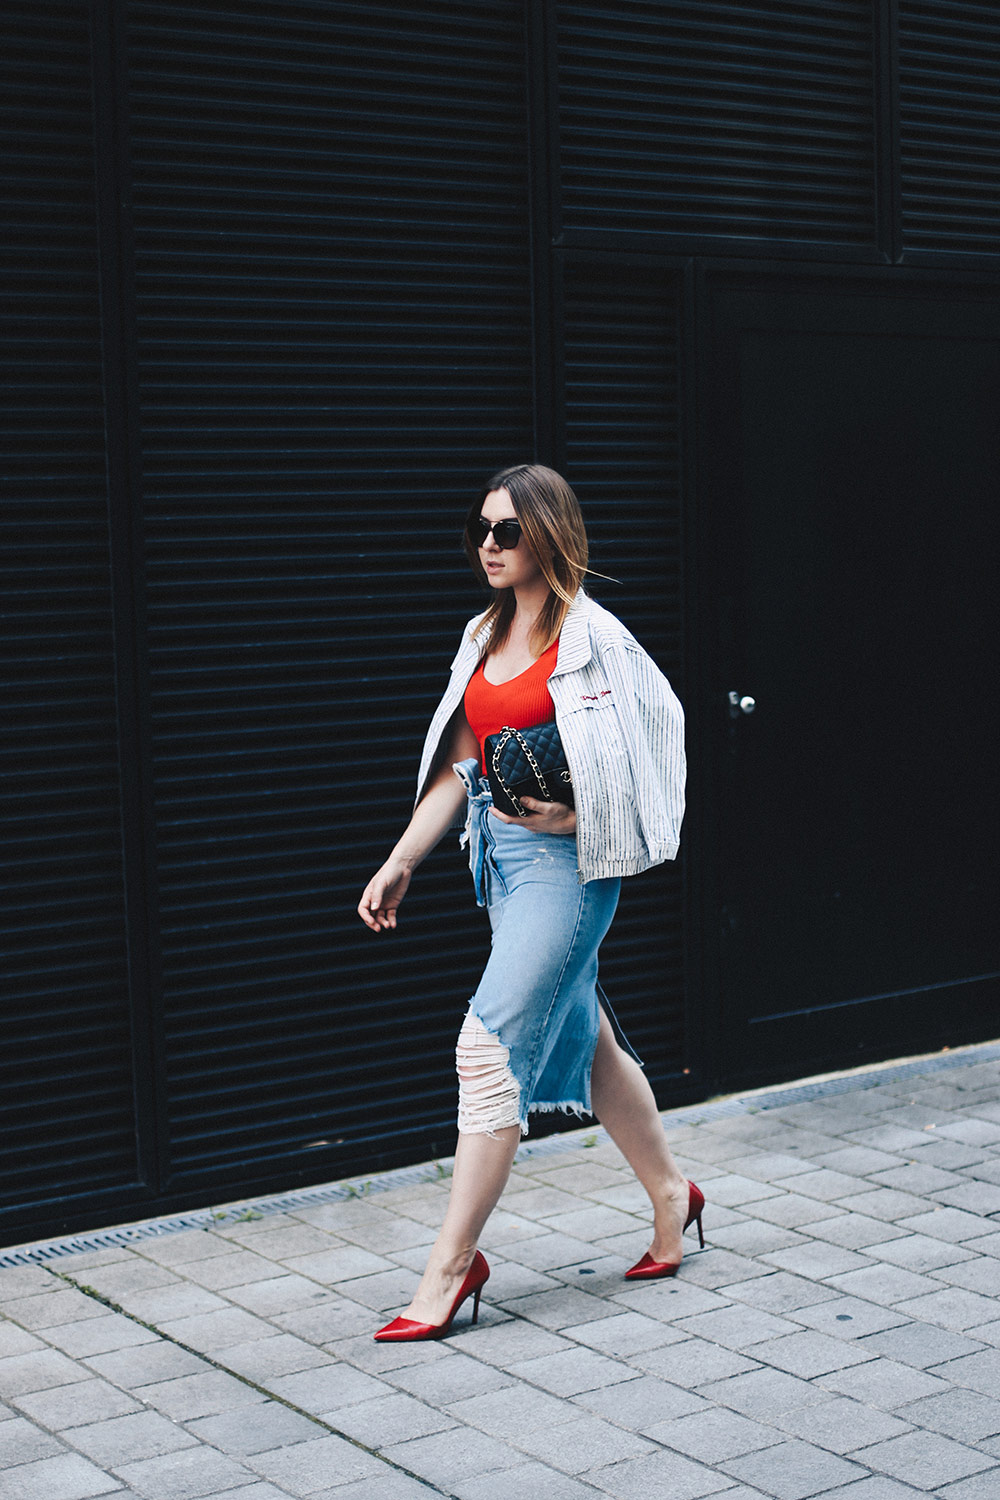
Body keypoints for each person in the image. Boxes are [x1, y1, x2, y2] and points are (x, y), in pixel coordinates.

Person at [357, 463, 703, 1341]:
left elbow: (661, 745)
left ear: (548, 536)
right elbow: (460, 764)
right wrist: (402, 859)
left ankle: (449, 1268)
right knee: (586, 1038)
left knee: (487, 1048)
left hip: (572, 870)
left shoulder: (597, 642)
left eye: (506, 532)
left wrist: (589, 814)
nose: (487, 546)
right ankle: (674, 1194)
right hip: (499, 863)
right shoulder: (481, 636)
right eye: (480, 530)